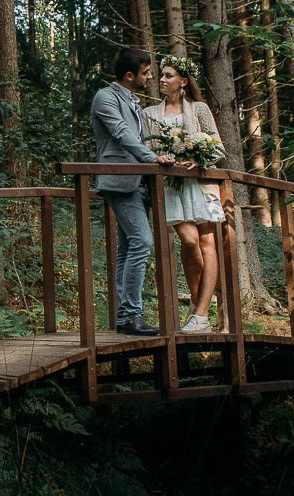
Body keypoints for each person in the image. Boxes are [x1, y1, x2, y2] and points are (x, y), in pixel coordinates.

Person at [91, 48, 176, 336]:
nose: (150, 76)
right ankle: (130, 315)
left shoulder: (134, 102)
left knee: (128, 248)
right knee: (142, 242)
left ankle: (125, 317)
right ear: (130, 75)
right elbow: (121, 133)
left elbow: (140, 137)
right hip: (119, 180)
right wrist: (151, 158)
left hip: (140, 183)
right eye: (146, 72)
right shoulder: (105, 97)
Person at [143, 56, 226, 334]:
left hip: (201, 183)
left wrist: (200, 157)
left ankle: (200, 315)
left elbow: (218, 147)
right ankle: (197, 301)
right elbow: (147, 150)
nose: (162, 80)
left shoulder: (199, 109)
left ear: (183, 82)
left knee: (207, 243)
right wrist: (160, 158)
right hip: (170, 186)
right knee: (188, 240)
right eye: (161, 76)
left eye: (168, 76)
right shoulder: (149, 114)